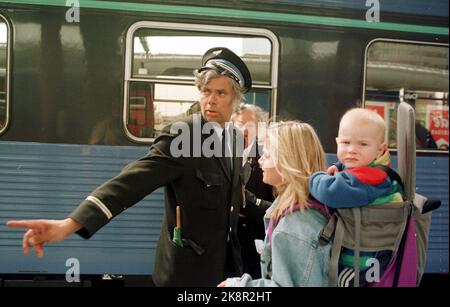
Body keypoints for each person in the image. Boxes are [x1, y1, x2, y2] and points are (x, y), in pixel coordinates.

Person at [6, 47, 252, 287]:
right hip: (186, 275)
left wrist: (279, 208)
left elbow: (235, 196)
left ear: (236, 99)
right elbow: (131, 183)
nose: (210, 100)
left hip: (225, 271)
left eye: (220, 93)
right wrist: (69, 224)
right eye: (206, 91)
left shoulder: (233, 138)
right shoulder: (184, 135)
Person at [220, 121, 331, 287]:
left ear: (288, 160)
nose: (260, 160)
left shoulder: (293, 227)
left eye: (267, 154)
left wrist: (238, 286)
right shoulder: (308, 208)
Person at [308, 107, 404, 286]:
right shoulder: (370, 169)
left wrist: (314, 178)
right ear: (336, 142)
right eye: (345, 142)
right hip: (366, 255)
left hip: (361, 262)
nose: (352, 150)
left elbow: (330, 192)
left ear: (380, 150)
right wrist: (338, 168)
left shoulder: (373, 177)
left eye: (363, 144)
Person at [232, 104, 274, 279]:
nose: (244, 129)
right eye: (240, 124)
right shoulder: (219, 157)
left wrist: (246, 207)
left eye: (250, 125)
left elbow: (276, 208)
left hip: (254, 243)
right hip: (227, 246)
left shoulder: (267, 159)